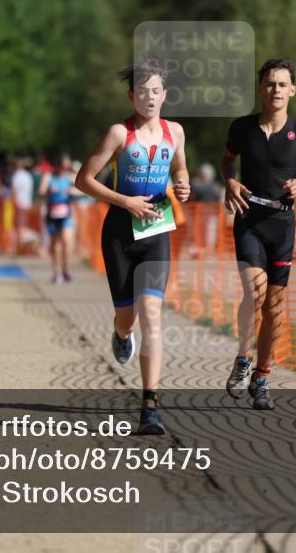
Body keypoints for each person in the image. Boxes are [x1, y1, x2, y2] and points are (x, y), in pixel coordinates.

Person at [76, 59, 191, 435]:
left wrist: (184, 184)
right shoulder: (117, 134)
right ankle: (121, 333)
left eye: (156, 91)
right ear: (132, 95)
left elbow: (180, 170)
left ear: (165, 95)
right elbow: (83, 180)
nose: (150, 97)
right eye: (143, 91)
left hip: (156, 230)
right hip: (120, 233)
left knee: (152, 313)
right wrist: (125, 201)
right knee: (128, 318)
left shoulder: (175, 132)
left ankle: (150, 406)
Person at [221, 58, 296, 410]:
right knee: (255, 291)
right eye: (270, 84)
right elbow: (227, 160)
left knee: (274, 307)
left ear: (292, 90)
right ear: (260, 89)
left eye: (282, 84)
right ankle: (243, 357)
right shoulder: (243, 127)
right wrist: (230, 180)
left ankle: (262, 378)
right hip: (249, 217)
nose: (276, 89)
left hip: (282, 224)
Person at [39, 153, 78, 284]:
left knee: (67, 241)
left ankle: (66, 268)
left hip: (66, 213)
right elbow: (40, 192)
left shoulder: (70, 177)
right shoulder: (49, 176)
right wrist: (50, 191)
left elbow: (84, 189)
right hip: (52, 213)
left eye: (67, 167)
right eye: (63, 166)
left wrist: (73, 192)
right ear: (57, 166)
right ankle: (56, 272)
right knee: (56, 243)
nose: (65, 169)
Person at [10, 158, 37, 254]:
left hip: (19, 204)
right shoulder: (28, 176)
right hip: (27, 203)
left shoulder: (17, 176)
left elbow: (15, 190)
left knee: (19, 226)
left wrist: (13, 200)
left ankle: (28, 239)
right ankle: (24, 245)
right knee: (23, 224)